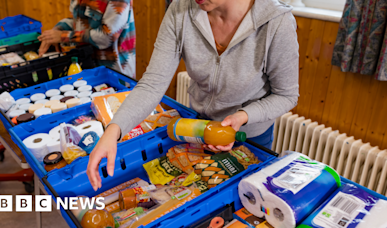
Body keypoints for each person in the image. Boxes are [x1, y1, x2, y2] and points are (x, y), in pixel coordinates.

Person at [87, 0, 299, 191]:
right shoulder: (180, 10)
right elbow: (152, 85)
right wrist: (113, 132)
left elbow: (286, 96)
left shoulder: (276, 22)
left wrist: (242, 116)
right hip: (199, 127)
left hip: (250, 136)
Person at [38, 0, 136, 78]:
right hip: (88, 65)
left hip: (116, 72)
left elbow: (107, 37)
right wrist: (56, 31)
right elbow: (77, 23)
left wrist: (63, 36)